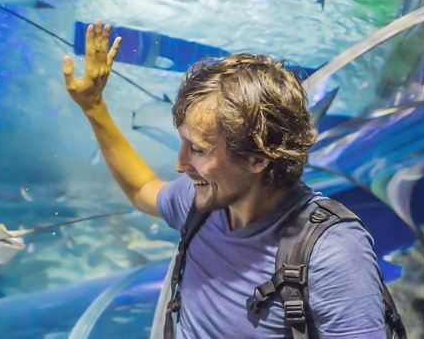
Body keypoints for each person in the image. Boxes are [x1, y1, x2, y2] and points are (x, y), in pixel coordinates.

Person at [62, 20, 390, 338]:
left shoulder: (331, 253)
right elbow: (142, 189)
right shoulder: (201, 206)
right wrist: (94, 108)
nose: (179, 164)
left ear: (257, 159)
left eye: (199, 150)